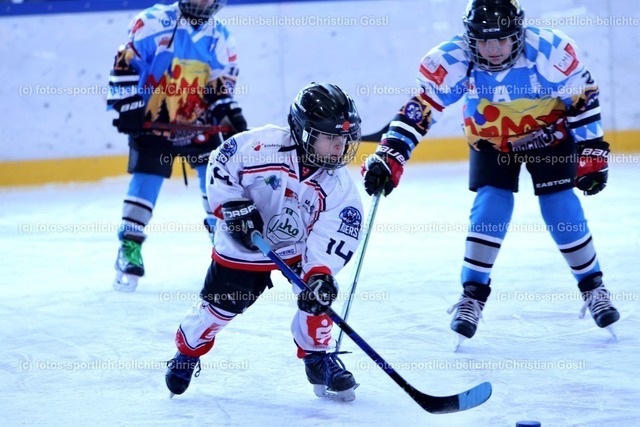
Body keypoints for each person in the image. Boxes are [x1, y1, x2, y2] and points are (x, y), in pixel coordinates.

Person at [362, 0, 619, 344]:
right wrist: (392, 152)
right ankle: (472, 296)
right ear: (470, 38)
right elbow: (421, 109)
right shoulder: (451, 59)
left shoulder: (548, 49)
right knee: (490, 206)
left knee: (559, 202)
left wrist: (592, 149)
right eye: (483, 40)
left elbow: (581, 97)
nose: (493, 49)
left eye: (501, 39)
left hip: (551, 136)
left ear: (518, 34)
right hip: (492, 142)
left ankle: (593, 287)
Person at [165, 83, 364, 401]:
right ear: (303, 132)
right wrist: (232, 206)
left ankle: (317, 359)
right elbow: (220, 162)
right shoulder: (260, 146)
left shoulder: (337, 185)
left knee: (317, 296)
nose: (339, 147)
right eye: (330, 137)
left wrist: (320, 273)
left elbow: (334, 230)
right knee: (219, 308)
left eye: (344, 139)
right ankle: (188, 351)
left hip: (299, 247)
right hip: (246, 242)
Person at [107, 0, 248, 291]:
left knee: (215, 178)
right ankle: (129, 246)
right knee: (148, 177)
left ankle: (223, 243)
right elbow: (126, 63)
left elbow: (218, 85)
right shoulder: (152, 21)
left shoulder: (221, 36)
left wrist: (229, 112)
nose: (202, 2)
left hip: (198, 121)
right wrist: (129, 104)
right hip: (154, 120)